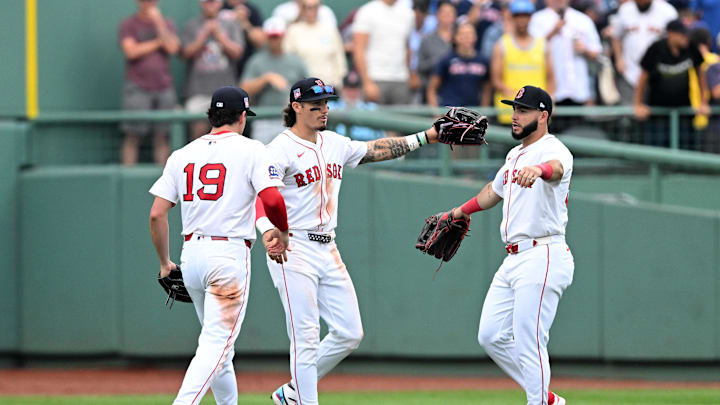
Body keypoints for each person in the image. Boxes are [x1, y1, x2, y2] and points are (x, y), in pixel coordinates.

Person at [258, 77, 442, 405]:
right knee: (306, 335)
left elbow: (375, 150)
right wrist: (269, 230)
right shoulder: (280, 148)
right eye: (316, 106)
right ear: (296, 107)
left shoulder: (334, 143)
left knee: (349, 332)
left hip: (327, 246)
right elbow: (264, 194)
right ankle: (304, 400)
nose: (324, 110)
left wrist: (426, 137)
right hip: (293, 247)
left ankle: (291, 392)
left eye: (327, 104)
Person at [148, 86, 290, 405]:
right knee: (215, 345)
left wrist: (164, 263)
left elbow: (157, 214)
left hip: (192, 257)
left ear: (212, 116)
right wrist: (282, 230)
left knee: (222, 350)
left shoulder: (182, 154)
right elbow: (272, 199)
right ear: (242, 116)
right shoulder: (252, 149)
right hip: (227, 256)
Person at [440, 85, 572, 405]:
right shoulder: (515, 154)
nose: (515, 116)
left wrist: (538, 170)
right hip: (513, 259)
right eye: (514, 109)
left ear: (543, 116)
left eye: (523, 110)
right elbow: (493, 191)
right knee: (491, 336)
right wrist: (458, 211)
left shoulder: (554, 149)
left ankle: (539, 401)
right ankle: (546, 398)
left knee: (530, 340)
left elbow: (557, 170)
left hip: (543, 253)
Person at [118, 0, 180, 166]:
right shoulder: (129, 24)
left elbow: (173, 47)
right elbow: (131, 51)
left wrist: (159, 22)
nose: (148, 3)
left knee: (162, 136)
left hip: (163, 87)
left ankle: (165, 182)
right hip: (137, 87)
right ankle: (128, 176)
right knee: (133, 136)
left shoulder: (166, 23)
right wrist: (158, 43)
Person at [634, 19, 709, 149]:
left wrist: (703, 102)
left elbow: (700, 74)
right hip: (658, 113)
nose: (685, 38)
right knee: (658, 152)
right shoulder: (656, 48)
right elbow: (643, 77)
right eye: (682, 35)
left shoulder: (691, 47)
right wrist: (638, 104)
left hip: (683, 112)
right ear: (671, 34)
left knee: (685, 150)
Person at [182, 0, 245, 139]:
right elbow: (185, 53)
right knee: (198, 135)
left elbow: (238, 52)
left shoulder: (231, 24)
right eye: (207, 2)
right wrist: (204, 34)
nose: (210, 5)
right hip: (198, 91)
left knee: (228, 135)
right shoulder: (192, 25)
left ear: (220, 3)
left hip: (226, 90)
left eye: (213, 2)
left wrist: (219, 36)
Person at [240, 17, 308, 144]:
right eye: (272, 37)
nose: (275, 40)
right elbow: (243, 89)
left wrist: (295, 99)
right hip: (263, 120)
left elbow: (308, 89)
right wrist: (266, 78)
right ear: (266, 37)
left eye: (277, 36)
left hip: (290, 119)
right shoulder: (256, 61)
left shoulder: (296, 61)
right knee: (262, 159)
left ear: (283, 36)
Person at [529, 0, 602, 110]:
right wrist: (552, 32)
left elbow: (596, 51)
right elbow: (529, 51)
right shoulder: (537, 19)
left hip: (578, 89)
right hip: (548, 89)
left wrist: (584, 49)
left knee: (576, 125)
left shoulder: (582, 19)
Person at [492, 0, 555, 124]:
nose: (522, 20)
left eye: (525, 16)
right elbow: (496, 80)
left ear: (531, 17)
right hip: (509, 113)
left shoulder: (542, 45)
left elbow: (551, 78)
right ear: (512, 18)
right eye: (517, 16)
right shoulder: (502, 45)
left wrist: (550, 101)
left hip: (537, 112)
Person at [610, 0, 678, 104]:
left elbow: (676, 41)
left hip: (658, 74)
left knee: (657, 112)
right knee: (630, 113)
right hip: (630, 70)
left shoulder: (667, 11)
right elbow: (616, 36)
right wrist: (619, 59)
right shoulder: (625, 9)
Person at [353, 0, 415, 104]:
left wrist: (410, 73)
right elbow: (359, 49)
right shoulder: (367, 11)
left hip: (401, 79)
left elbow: (407, 47)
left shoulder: (408, 13)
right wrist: (367, 82)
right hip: (375, 78)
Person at [283, 0, 347, 89]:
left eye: (315, 7)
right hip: (304, 88)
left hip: (328, 86)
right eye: (308, 8)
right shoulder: (293, 31)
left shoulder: (330, 29)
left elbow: (339, 59)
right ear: (302, 9)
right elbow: (288, 60)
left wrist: (337, 82)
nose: (312, 11)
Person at [426, 22, 491, 107]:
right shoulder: (446, 60)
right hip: (450, 112)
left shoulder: (483, 61)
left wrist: (483, 112)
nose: (467, 37)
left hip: (472, 113)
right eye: (463, 34)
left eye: (470, 34)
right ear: (455, 37)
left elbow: (487, 89)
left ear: (475, 37)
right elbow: (432, 88)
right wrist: (436, 113)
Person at [417, 1, 457, 103]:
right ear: (437, 15)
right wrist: (438, 61)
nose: (447, 16)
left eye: (450, 12)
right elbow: (420, 66)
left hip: (457, 92)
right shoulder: (427, 39)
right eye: (444, 12)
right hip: (434, 91)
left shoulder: (461, 37)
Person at [219, 0, 266, 79]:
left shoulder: (252, 10)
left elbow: (261, 42)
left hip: (245, 66)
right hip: (221, 66)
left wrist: (244, 22)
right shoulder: (218, 7)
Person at [272, 0, 338, 27]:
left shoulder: (325, 11)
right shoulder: (281, 10)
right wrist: (300, 15)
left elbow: (331, 36)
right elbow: (277, 38)